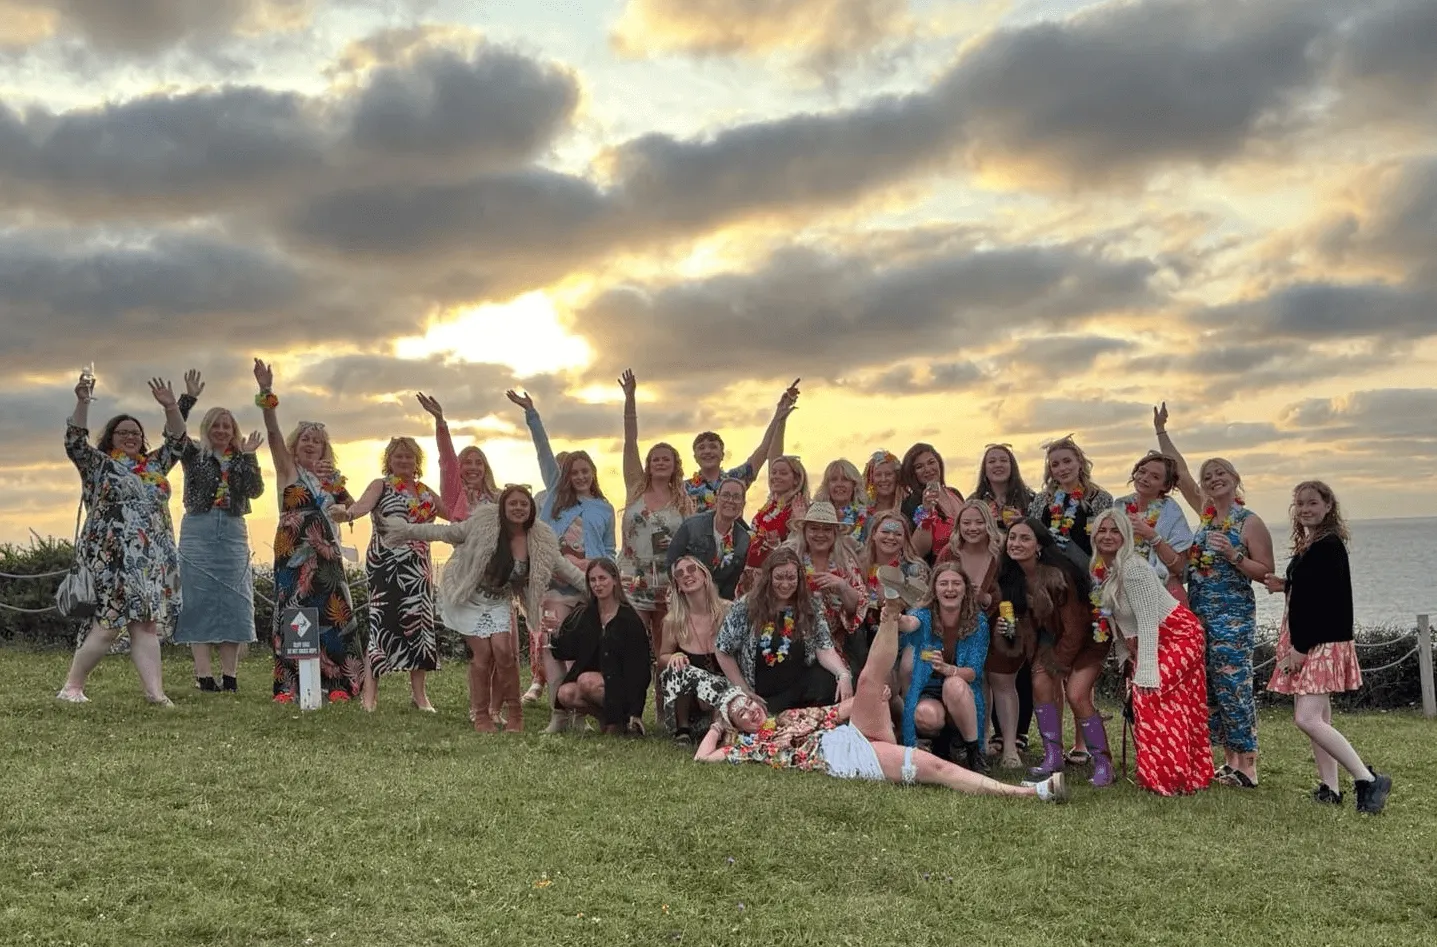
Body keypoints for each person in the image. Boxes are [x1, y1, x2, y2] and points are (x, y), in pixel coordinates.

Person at [695, 599, 1068, 804]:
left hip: (850, 736)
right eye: (741, 714)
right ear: (738, 727)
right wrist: (717, 725)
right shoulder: (748, 748)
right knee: (935, 769)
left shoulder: (791, 717)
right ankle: (1027, 793)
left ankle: (890, 613)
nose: (751, 709)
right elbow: (703, 759)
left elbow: (843, 709)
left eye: (749, 703)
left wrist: (875, 700)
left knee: (869, 680)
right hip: (846, 759)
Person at [378, 484, 585, 732]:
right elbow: (443, 532)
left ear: (531, 510)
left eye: (524, 504)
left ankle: (515, 714)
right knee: (484, 654)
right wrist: (404, 530)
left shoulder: (541, 540)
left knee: (504, 653)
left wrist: (602, 591)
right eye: (513, 503)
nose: (518, 508)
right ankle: (481, 715)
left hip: (498, 600)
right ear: (502, 508)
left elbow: (569, 571)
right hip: (468, 595)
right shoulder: (483, 525)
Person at [1155, 403, 1275, 788]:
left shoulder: (1249, 521)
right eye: (1209, 476)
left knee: (1234, 685)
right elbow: (1183, 472)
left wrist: (1233, 554)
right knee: (1209, 686)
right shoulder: (1206, 514)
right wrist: (1161, 433)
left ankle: (1249, 765)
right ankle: (1229, 762)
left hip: (1234, 616)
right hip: (1201, 613)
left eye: (1220, 472)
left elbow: (1266, 572)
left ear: (1235, 478)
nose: (1213, 478)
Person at [56, 373, 189, 705]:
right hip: (112, 557)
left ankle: (155, 693)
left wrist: (172, 406)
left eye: (136, 433)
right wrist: (83, 401)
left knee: (145, 624)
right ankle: (72, 687)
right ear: (111, 438)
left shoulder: (154, 465)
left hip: (149, 558)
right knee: (108, 624)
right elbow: (74, 441)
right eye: (123, 432)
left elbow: (177, 440)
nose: (130, 437)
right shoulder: (98, 465)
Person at [1263, 482, 1392, 814]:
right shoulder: (1316, 543)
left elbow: (1320, 604)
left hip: (1319, 642)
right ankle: (1330, 788)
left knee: (1307, 718)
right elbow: (1312, 589)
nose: (1305, 509)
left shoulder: (1327, 545)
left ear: (1328, 505)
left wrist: (1301, 649)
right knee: (1320, 716)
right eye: (1300, 504)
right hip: (1316, 640)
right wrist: (1287, 585)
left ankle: (1366, 779)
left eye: (1312, 503)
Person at [253, 360, 363, 703]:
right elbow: (271, 433)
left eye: (317, 441)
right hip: (291, 549)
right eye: (305, 439)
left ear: (325, 447)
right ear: (295, 445)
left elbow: (351, 511)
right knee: (293, 610)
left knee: (334, 611)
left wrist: (337, 498)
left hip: (326, 553)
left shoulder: (333, 478)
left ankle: (340, 685)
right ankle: (288, 685)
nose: (311, 444)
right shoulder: (287, 470)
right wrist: (266, 392)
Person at [1089, 509, 1212, 796]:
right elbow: (1118, 621)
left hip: (1178, 634)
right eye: (1102, 530)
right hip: (1146, 641)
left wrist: (1146, 669)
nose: (1108, 536)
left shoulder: (1133, 567)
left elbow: (1146, 620)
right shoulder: (1101, 569)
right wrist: (1126, 657)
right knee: (1162, 703)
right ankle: (1172, 775)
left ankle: (1171, 778)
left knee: (1151, 695)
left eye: (1115, 531)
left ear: (1126, 536)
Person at [508, 388, 616, 711]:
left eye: (586, 471)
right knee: (550, 642)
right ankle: (558, 707)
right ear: (565, 476)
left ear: (593, 474)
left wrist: (592, 565)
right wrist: (532, 414)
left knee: (584, 646)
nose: (581, 476)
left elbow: (610, 549)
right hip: (555, 586)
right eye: (574, 472)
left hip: (587, 586)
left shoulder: (604, 508)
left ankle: (580, 705)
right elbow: (544, 452)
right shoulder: (554, 498)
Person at [328, 437, 444, 712]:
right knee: (382, 626)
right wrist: (344, 514)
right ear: (389, 461)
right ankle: (370, 697)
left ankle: (420, 696)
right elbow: (359, 508)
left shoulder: (426, 492)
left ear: (417, 462)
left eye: (409, 457)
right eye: (398, 457)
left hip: (418, 568)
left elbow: (454, 514)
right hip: (386, 566)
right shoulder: (380, 485)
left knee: (420, 626)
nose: (403, 461)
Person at [995, 518, 1112, 785]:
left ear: (1039, 545)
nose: (1016, 544)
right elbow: (1028, 628)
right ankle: (1053, 756)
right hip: (1052, 639)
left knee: (1076, 694)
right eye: (1012, 538)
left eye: (1025, 538)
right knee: (1039, 683)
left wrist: (1057, 664)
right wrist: (1010, 632)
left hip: (1087, 639)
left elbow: (1075, 629)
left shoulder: (1060, 575)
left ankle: (1103, 763)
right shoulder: (1012, 577)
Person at [417, 392, 509, 725]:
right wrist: (441, 422)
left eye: (477, 462)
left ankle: (496, 709)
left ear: (485, 468)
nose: (470, 467)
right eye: (466, 462)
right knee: (482, 652)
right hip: (465, 581)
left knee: (503, 652)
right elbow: (446, 459)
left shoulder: (499, 499)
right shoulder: (455, 496)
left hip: (496, 581)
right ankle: (478, 708)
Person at [173, 400, 265, 693]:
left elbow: (255, 490)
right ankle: (204, 676)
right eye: (216, 425)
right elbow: (173, 433)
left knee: (235, 600)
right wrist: (182, 402)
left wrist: (249, 457)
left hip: (233, 530)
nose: (221, 431)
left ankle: (230, 675)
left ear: (234, 430)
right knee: (197, 600)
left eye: (227, 426)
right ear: (207, 428)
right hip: (198, 529)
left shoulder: (241, 457)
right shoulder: (194, 454)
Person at [615, 370, 694, 710]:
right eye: (655, 458)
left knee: (667, 648)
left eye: (667, 458)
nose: (660, 462)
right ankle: (630, 710)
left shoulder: (684, 501)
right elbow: (629, 442)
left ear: (675, 465)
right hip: (632, 576)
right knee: (630, 644)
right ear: (648, 465)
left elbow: (690, 542)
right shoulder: (635, 487)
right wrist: (630, 398)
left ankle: (667, 711)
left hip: (668, 581)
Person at [716, 547, 852, 714]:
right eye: (779, 578)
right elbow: (723, 650)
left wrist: (843, 675)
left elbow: (824, 647)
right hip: (762, 693)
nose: (785, 584)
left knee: (830, 680)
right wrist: (743, 689)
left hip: (800, 686)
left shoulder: (810, 606)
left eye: (791, 578)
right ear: (768, 578)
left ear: (799, 579)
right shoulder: (747, 606)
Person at [896, 562, 991, 773]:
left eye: (956, 583)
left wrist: (947, 668)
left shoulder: (979, 622)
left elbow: (973, 672)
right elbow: (909, 623)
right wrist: (895, 614)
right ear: (934, 589)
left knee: (954, 684)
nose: (950, 589)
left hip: (962, 692)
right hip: (929, 691)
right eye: (944, 584)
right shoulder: (924, 614)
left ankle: (974, 753)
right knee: (926, 715)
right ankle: (942, 744)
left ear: (965, 589)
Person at [549, 558, 653, 736]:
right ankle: (608, 719)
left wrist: (636, 711)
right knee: (565, 693)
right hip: (597, 683)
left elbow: (640, 669)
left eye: (602, 578)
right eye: (592, 580)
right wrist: (555, 632)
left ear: (614, 580)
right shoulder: (585, 614)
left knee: (586, 681)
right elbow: (566, 651)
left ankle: (625, 719)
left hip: (622, 685)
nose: (598, 584)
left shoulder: (629, 620)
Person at [685, 380, 799, 512]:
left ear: (722, 455)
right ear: (695, 457)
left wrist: (779, 414)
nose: (707, 451)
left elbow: (763, 451)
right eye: (701, 448)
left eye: (713, 447)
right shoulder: (685, 488)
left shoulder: (736, 478)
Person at [657, 556, 732, 741]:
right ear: (678, 586)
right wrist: (673, 656)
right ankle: (683, 729)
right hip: (692, 703)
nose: (686, 575)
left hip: (725, 695)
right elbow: (662, 657)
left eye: (692, 569)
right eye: (679, 573)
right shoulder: (673, 620)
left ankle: (718, 728)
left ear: (705, 575)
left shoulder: (729, 611)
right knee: (679, 668)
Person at [852, 511, 930, 674]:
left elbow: (920, 613)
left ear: (905, 539)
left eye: (897, 534)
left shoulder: (914, 569)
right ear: (873, 534)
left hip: (902, 640)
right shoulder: (860, 565)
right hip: (866, 639)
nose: (891, 537)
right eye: (885, 532)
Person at [1114, 450, 1194, 606]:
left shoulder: (1171, 512)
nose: (1145, 478)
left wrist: (1152, 536)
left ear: (1165, 485)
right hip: (1124, 590)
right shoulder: (1120, 506)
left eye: (1155, 477)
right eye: (1142, 471)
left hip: (1163, 591)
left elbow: (1179, 567)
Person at [786, 501, 865, 658]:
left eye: (827, 529)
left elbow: (856, 608)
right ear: (804, 531)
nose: (820, 534)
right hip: (792, 638)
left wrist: (842, 586)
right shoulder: (790, 556)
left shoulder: (845, 562)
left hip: (834, 644)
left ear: (835, 533)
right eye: (814, 528)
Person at [1028, 435, 1113, 568]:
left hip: (1089, 571)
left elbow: (1106, 539)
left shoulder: (1099, 498)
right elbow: (1034, 536)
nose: (1062, 468)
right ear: (1051, 471)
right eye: (1055, 465)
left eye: (1067, 461)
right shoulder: (1042, 500)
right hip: (1050, 572)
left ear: (1079, 462)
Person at [664, 477, 751, 600]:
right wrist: (684, 596)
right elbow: (671, 563)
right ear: (717, 498)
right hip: (684, 597)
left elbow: (731, 584)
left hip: (716, 603)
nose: (730, 501)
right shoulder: (692, 525)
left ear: (743, 504)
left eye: (736, 497)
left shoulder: (743, 539)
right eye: (725, 495)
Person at [737, 454, 809, 595]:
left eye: (783, 473)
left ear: (796, 480)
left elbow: (800, 543)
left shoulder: (798, 507)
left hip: (776, 578)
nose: (776, 476)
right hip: (751, 574)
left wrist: (800, 520)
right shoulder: (769, 506)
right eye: (773, 472)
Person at [900, 443, 964, 562]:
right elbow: (914, 552)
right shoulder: (911, 504)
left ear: (939, 463)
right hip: (937, 571)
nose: (928, 469)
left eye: (931, 462)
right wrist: (926, 511)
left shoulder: (955, 493)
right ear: (912, 473)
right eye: (919, 467)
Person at [971, 443, 1036, 532]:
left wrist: (1023, 523)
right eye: (992, 461)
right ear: (984, 469)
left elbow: (1043, 535)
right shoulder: (974, 501)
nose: (998, 465)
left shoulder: (1031, 499)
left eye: (1003, 460)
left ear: (1012, 467)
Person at [814, 459, 869, 543]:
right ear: (827, 486)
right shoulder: (815, 515)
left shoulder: (867, 519)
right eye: (834, 479)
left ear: (854, 485)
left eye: (845, 479)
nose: (839, 484)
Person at [860, 450, 905, 538]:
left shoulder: (907, 508)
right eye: (878, 475)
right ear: (871, 479)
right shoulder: (863, 511)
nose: (883, 479)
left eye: (888, 474)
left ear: (897, 477)